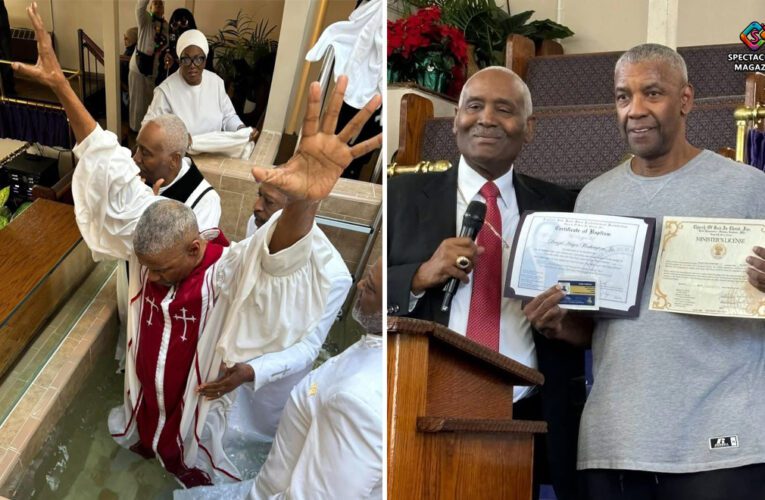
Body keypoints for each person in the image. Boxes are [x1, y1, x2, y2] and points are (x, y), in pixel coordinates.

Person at [12, 2, 381, 488]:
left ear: (193, 249)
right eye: (148, 270)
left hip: (191, 409)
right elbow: (105, 159)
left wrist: (301, 205)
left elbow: (272, 266)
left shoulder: (221, 267)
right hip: (141, 396)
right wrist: (61, 85)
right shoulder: (153, 217)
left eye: (163, 272)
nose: (155, 280)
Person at [524, 43, 765, 500]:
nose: (635, 110)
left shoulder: (751, 188)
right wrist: (556, 323)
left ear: (686, 100)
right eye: (622, 96)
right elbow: (593, 329)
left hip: (722, 446)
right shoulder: (593, 198)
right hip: (614, 446)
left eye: (652, 93)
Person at [387, 66, 584, 500]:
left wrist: (562, 323)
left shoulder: (565, 208)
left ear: (529, 128)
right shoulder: (399, 194)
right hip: (423, 404)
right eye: (474, 106)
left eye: (504, 109)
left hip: (528, 413)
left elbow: (590, 323)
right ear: (456, 118)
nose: (486, 118)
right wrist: (419, 277)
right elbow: (362, 303)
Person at [174, 259, 383, 500]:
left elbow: (310, 346)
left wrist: (254, 370)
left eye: (371, 288)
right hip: (273, 478)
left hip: (274, 391)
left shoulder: (358, 401)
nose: (361, 286)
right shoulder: (372, 347)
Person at [195, 181, 352, 453]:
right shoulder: (258, 226)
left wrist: (253, 371)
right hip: (231, 354)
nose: (256, 207)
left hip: (269, 383)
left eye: (268, 202)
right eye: (259, 196)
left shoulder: (334, 275)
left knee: (251, 444)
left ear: (294, 211)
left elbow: (308, 347)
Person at [143, 29, 258, 142]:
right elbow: (148, 128)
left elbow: (228, 117)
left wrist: (242, 130)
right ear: (179, 60)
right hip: (183, 156)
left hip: (214, 152)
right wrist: (174, 137)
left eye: (199, 59)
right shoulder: (166, 91)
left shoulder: (216, 83)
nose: (193, 65)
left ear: (205, 60)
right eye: (186, 59)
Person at [129, 0, 167, 132]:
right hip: (138, 68)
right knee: (137, 102)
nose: (158, 6)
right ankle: (135, 131)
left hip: (153, 69)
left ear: (163, 9)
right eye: (155, 4)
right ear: (150, 7)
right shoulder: (145, 20)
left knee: (150, 102)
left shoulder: (166, 27)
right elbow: (140, 7)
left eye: (160, 4)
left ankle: (147, 131)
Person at [156, 7, 197, 86]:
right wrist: (166, 68)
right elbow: (159, 84)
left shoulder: (202, 52)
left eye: (183, 23)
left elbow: (206, 82)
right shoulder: (166, 54)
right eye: (174, 25)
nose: (178, 29)